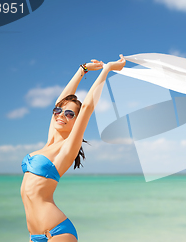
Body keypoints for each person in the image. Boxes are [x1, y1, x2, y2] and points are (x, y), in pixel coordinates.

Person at [20, 55, 126, 242]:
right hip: (35, 235)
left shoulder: (68, 147)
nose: (62, 115)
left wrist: (106, 70)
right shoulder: (50, 141)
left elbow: (86, 108)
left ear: (76, 121)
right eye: (59, 111)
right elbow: (61, 101)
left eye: (70, 114)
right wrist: (82, 70)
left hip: (57, 232)